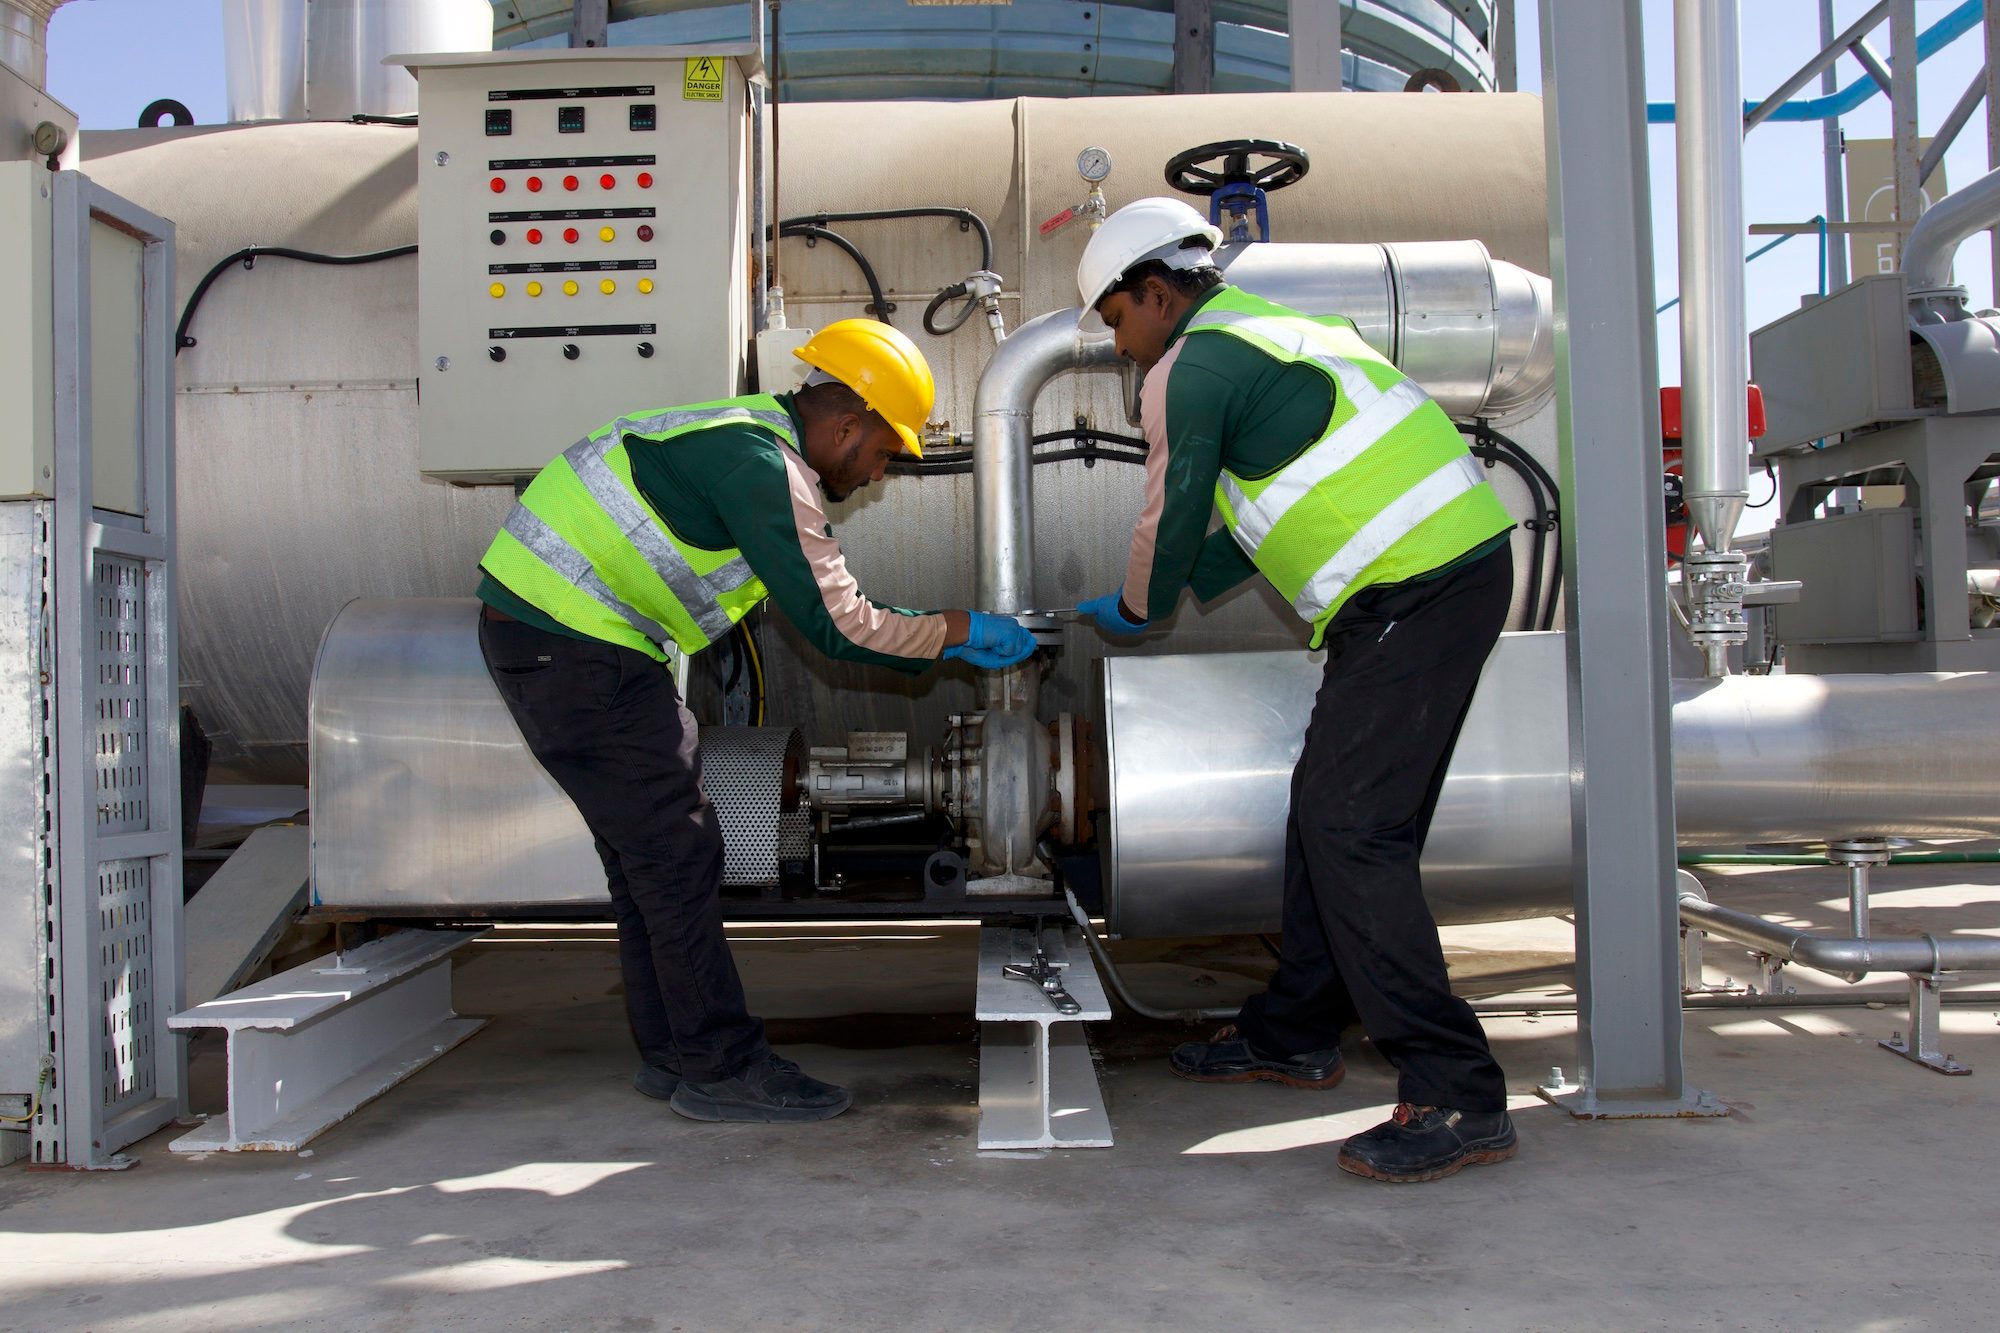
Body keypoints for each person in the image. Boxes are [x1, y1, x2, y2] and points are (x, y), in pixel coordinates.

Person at [476, 318, 1035, 1124]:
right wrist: (957, 629)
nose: (879, 472)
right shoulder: (762, 464)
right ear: (846, 424)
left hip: (563, 639)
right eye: (883, 451)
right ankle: (721, 1064)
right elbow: (839, 624)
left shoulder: (747, 442)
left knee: (647, 857)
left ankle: (674, 1051)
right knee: (675, 851)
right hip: (574, 645)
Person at [1073, 198, 1519, 1182]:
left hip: (1419, 584)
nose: (1118, 344)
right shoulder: (1280, 333)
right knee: (1326, 817)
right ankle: (1292, 1031)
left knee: (1351, 828)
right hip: (1431, 578)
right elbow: (1261, 505)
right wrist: (1168, 585)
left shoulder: (1188, 367)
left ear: (1154, 291)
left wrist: (1133, 608)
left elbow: (1170, 507)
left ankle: (1455, 1088)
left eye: (1113, 319)